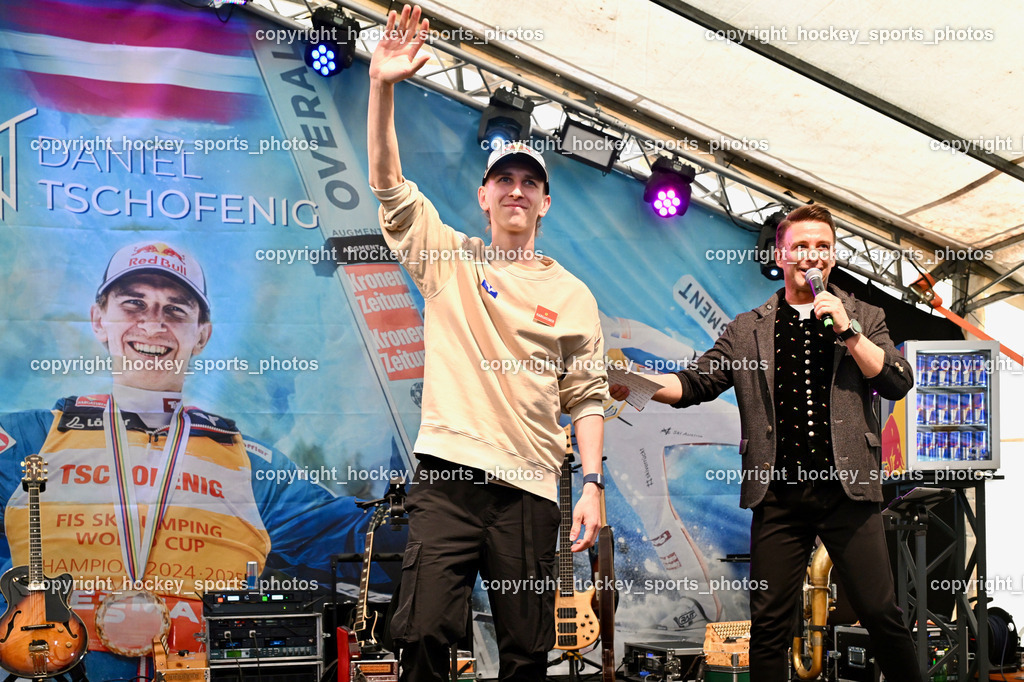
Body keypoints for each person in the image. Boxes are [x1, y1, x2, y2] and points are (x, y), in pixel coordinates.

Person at [0, 240, 379, 681]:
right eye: (133, 304)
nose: (152, 323)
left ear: (202, 334)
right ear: (99, 320)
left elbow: (361, 537)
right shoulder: (28, 439)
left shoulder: (249, 464)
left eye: (175, 310)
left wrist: (439, 483)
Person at [366, 6, 609, 681]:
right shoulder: (449, 260)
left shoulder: (574, 296)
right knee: (422, 635)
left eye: (530, 182)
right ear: (483, 195)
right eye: (505, 179)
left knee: (527, 652)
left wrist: (592, 485)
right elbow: (388, 185)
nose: (517, 191)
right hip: (448, 475)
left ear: (545, 203)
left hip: (531, 488)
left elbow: (588, 397)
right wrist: (381, 85)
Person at [612, 205, 923, 681]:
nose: (812, 256)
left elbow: (897, 381)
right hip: (779, 495)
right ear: (780, 255)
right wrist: (633, 384)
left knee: (881, 612)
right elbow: (694, 384)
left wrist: (849, 331)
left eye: (823, 246)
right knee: (769, 626)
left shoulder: (863, 315)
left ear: (833, 256)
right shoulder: (747, 329)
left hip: (848, 491)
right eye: (801, 246)